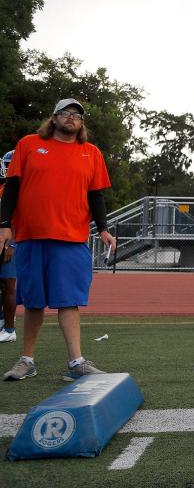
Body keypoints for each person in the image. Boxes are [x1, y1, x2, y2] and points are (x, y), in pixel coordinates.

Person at [0, 98, 117, 381]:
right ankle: (26, 360)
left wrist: (103, 228)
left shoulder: (91, 153)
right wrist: (4, 225)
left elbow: (96, 195)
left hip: (71, 238)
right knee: (34, 302)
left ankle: (76, 363)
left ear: (82, 123)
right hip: (31, 236)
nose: (71, 118)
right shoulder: (28, 145)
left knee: (68, 301)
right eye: (65, 113)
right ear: (53, 118)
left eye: (77, 115)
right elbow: (12, 187)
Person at [0, 151, 17, 344]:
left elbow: (18, 219)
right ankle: (2, 320)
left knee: (8, 284)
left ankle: (10, 329)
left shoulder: (20, 189)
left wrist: (11, 243)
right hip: (3, 238)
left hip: (13, 240)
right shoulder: (5, 188)